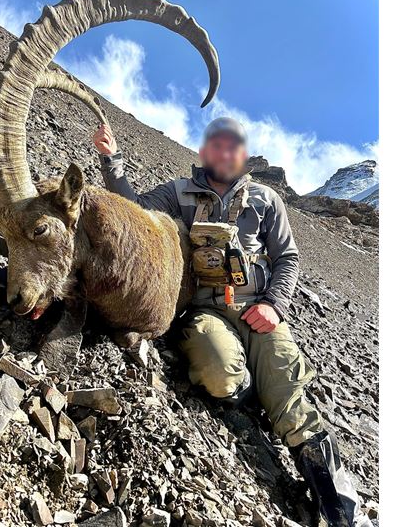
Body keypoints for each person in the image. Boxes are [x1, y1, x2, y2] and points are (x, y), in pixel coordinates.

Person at [94, 117, 372, 527]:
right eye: (217, 146)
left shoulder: (265, 199)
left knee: (290, 397)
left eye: (233, 147)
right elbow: (135, 215)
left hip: (259, 310)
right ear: (205, 152)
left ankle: (342, 511)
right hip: (205, 310)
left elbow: (288, 258)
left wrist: (274, 305)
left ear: (243, 155)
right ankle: (251, 393)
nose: (225, 153)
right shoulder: (178, 193)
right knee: (219, 373)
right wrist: (112, 161)